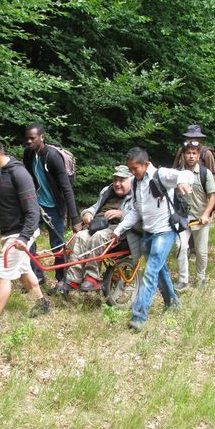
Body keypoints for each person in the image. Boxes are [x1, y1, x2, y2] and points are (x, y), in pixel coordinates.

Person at [0, 136, 50, 336]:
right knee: (24, 270)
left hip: (23, 231)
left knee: (4, 273)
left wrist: (23, 239)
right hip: (9, 232)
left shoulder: (19, 174)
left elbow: (33, 211)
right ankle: (42, 304)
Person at [111, 147, 193, 331]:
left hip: (165, 232)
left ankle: (139, 316)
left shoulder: (161, 174)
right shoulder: (135, 183)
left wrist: (181, 181)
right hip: (148, 233)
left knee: (150, 272)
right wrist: (118, 230)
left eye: (135, 168)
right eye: (130, 169)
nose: (132, 173)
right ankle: (172, 302)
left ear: (145, 164)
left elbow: (187, 175)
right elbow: (135, 212)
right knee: (160, 269)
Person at [23, 123, 83, 289]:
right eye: (27, 138)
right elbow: (27, 179)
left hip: (54, 206)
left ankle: (62, 279)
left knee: (57, 244)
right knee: (27, 238)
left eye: (32, 138)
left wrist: (75, 218)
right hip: (36, 205)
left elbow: (66, 188)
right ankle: (37, 276)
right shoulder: (28, 154)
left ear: (41, 137)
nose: (29, 141)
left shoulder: (53, 157)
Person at [61, 165, 133, 293]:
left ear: (131, 180)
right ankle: (73, 278)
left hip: (119, 229)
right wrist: (87, 213)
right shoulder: (108, 190)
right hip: (99, 225)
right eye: (115, 179)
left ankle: (92, 277)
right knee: (80, 236)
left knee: (99, 236)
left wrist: (122, 214)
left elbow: (139, 215)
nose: (117, 184)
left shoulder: (137, 194)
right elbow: (95, 207)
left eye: (121, 180)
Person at [175, 142, 215, 288]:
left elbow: (212, 196)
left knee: (201, 252)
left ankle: (200, 277)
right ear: (182, 155)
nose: (191, 156)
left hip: (200, 220)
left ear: (198, 155)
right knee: (181, 247)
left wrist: (206, 214)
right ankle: (183, 280)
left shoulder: (205, 174)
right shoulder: (176, 174)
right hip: (182, 219)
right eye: (188, 153)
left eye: (194, 153)